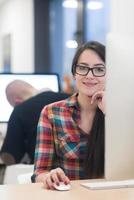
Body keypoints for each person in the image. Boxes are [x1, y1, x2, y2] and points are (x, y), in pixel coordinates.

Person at [32, 41, 106, 189]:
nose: (90, 75)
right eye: (83, 68)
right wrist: (49, 176)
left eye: (99, 69)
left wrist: (110, 114)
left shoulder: (122, 114)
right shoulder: (52, 113)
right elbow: (39, 172)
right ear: (74, 73)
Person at [0, 80, 70, 165]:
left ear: (17, 102)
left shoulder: (20, 110)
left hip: (45, 173)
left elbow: (10, 156)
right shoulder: (72, 99)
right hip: (81, 171)